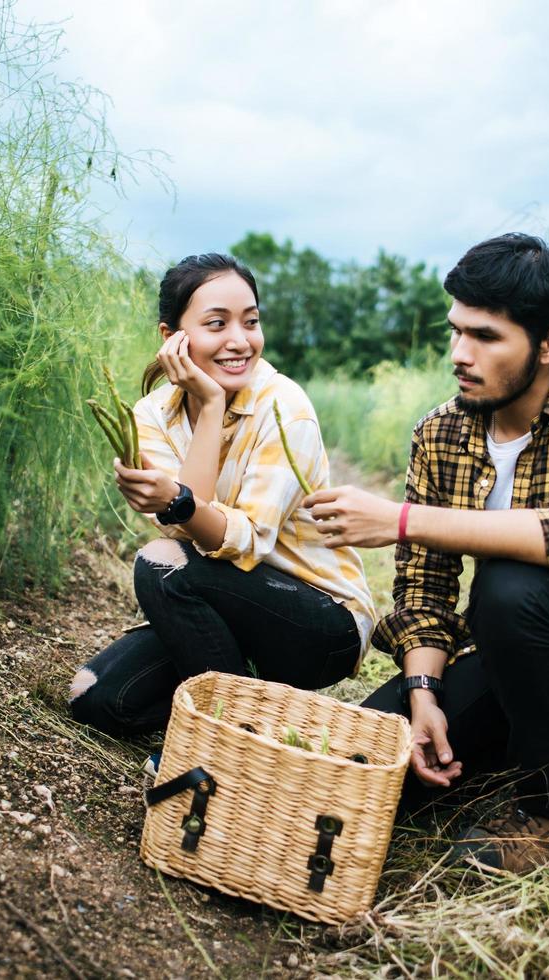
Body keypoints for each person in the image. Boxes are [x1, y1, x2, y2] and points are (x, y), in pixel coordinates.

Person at [305, 233, 549, 874]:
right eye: (455, 332)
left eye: (485, 337)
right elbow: (425, 588)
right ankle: (502, 755)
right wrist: (422, 695)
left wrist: (401, 519)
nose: (459, 354)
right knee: (360, 769)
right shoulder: (440, 431)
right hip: (511, 658)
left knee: (508, 582)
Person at [69, 253, 376, 745]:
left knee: (161, 564)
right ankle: (250, 691)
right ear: (172, 338)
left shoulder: (284, 407)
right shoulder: (152, 416)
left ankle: (225, 737)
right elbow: (184, 532)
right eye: (217, 324)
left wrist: (210, 406)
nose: (240, 340)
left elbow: (240, 541)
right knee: (96, 699)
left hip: (317, 618)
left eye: (250, 322)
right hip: (228, 605)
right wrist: (201, 432)